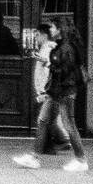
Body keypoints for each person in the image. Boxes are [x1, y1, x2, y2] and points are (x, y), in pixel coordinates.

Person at [13, 19, 90, 172]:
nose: (51, 29)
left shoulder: (66, 47)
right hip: (56, 92)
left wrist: (49, 65)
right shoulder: (62, 45)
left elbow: (66, 71)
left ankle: (81, 160)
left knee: (69, 124)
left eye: (53, 27)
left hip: (64, 92)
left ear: (60, 29)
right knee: (43, 121)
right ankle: (34, 157)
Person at [31, 22, 70, 154]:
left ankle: (63, 140)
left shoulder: (49, 48)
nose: (36, 38)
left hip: (49, 90)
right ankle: (48, 147)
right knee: (47, 119)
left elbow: (54, 67)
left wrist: (44, 61)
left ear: (44, 35)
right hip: (47, 90)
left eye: (37, 35)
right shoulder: (46, 48)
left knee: (45, 120)